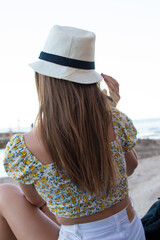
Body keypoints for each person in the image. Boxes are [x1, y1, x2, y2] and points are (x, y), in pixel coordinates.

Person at [0, 25, 145, 240]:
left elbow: (35, 201)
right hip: (131, 232)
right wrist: (110, 110)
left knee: (5, 194)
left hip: (82, 236)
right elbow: (130, 167)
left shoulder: (24, 147)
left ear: (42, 80)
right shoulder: (115, 119)